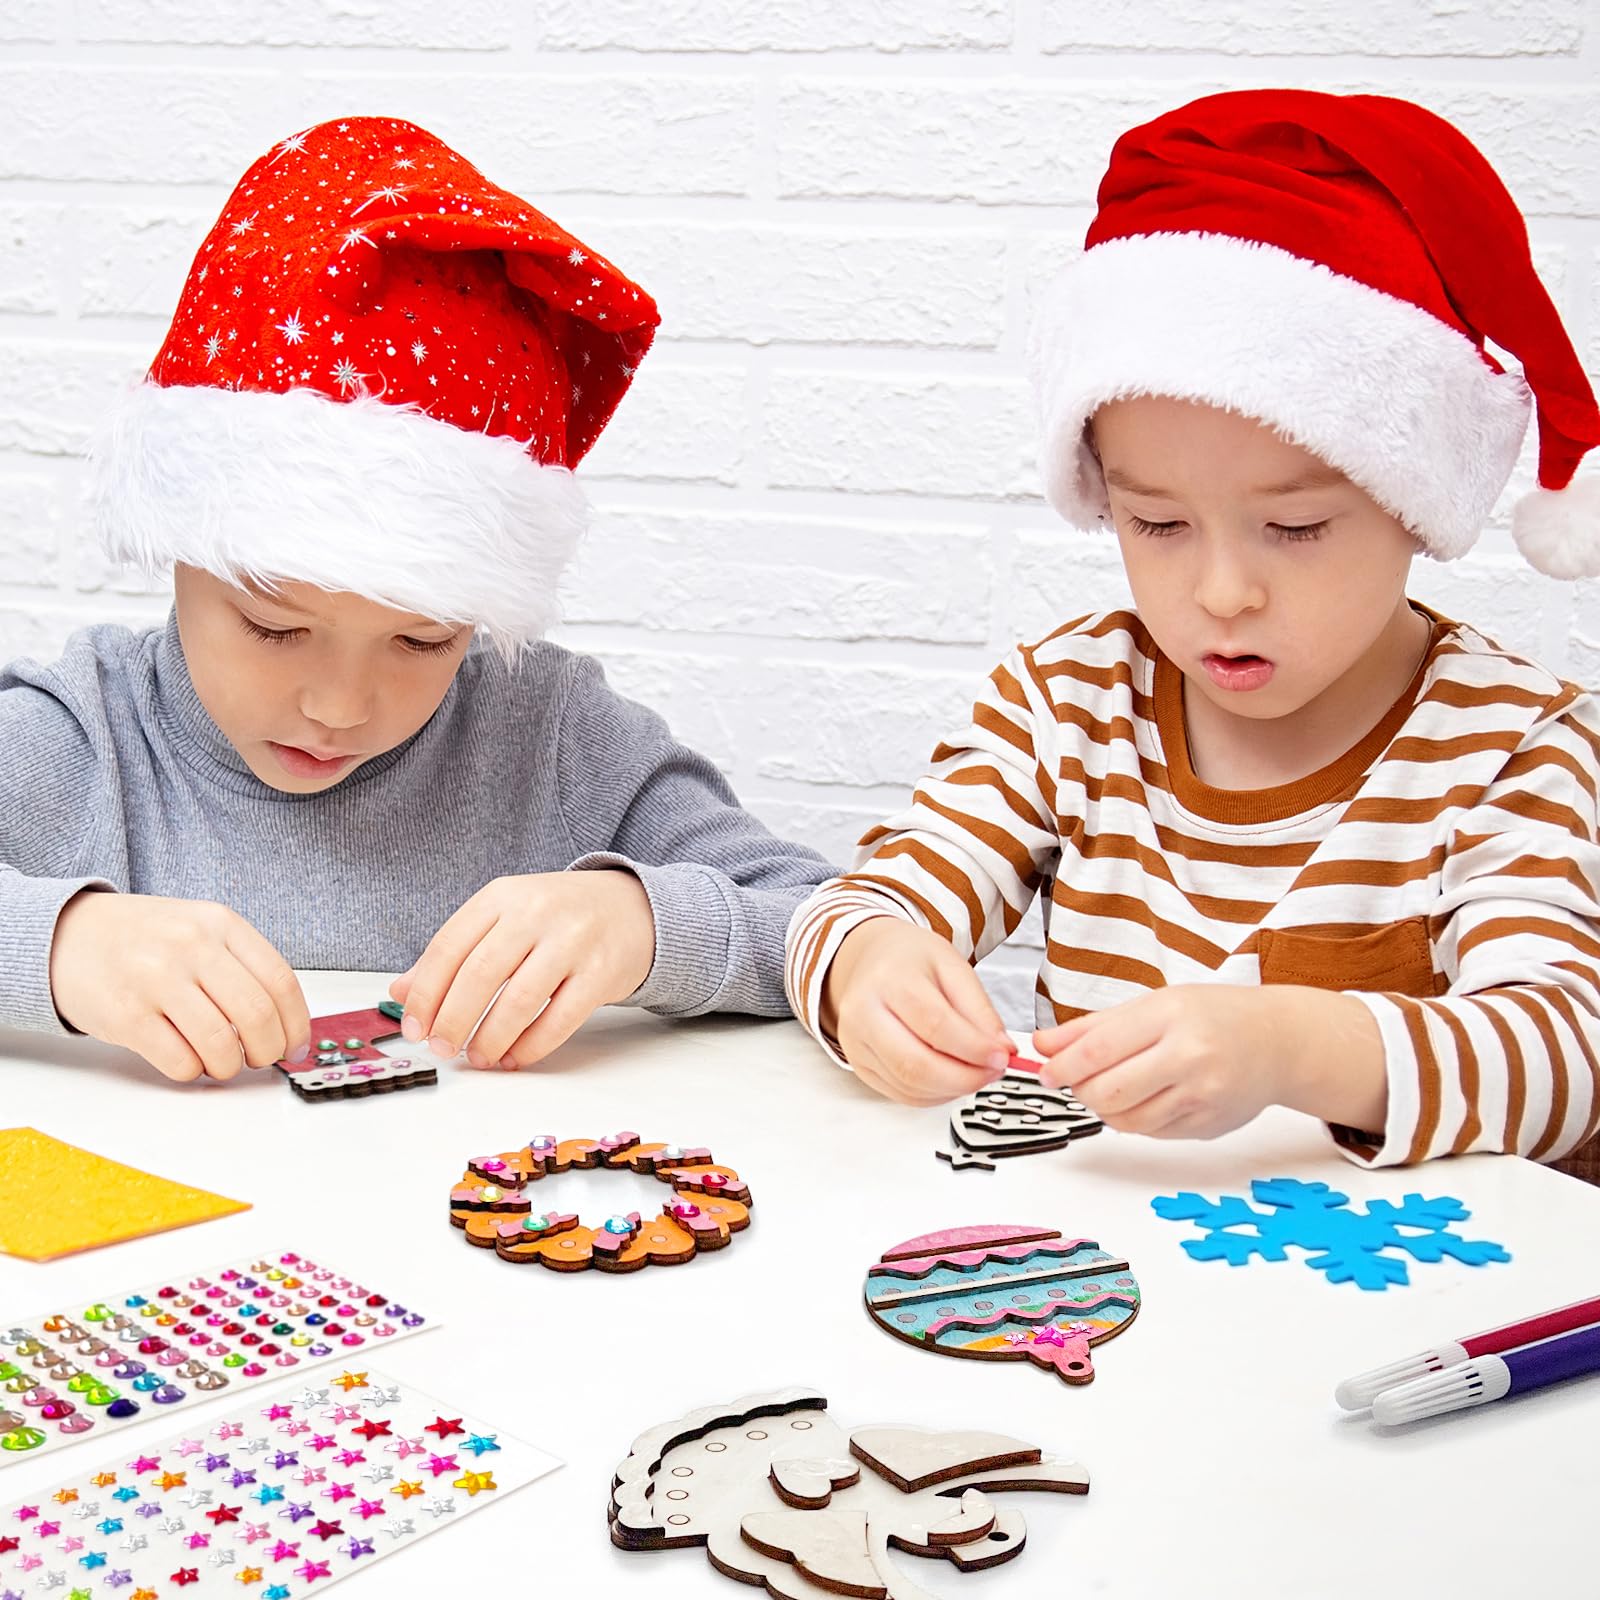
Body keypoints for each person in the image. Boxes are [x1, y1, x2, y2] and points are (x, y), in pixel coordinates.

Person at [787, 89, 1600, 1176]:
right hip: (1104, 1284)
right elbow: (861, 899)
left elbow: (1562, 1061)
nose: (1221, 591)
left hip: (1394, 1307)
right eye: (1155, 522)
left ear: (1417, 502)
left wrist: (1292, 1044)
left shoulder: (1513, 745)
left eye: (1295, 527)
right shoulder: (1065, 698)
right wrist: (867, 964)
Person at [0, 116, 833, 1084]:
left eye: (422, 641)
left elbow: (826, 924)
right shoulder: (76, 740)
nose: (340, 704)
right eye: (276, 627)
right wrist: (58, 944)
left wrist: (641, 924)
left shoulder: (552, 737)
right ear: (179, 552)